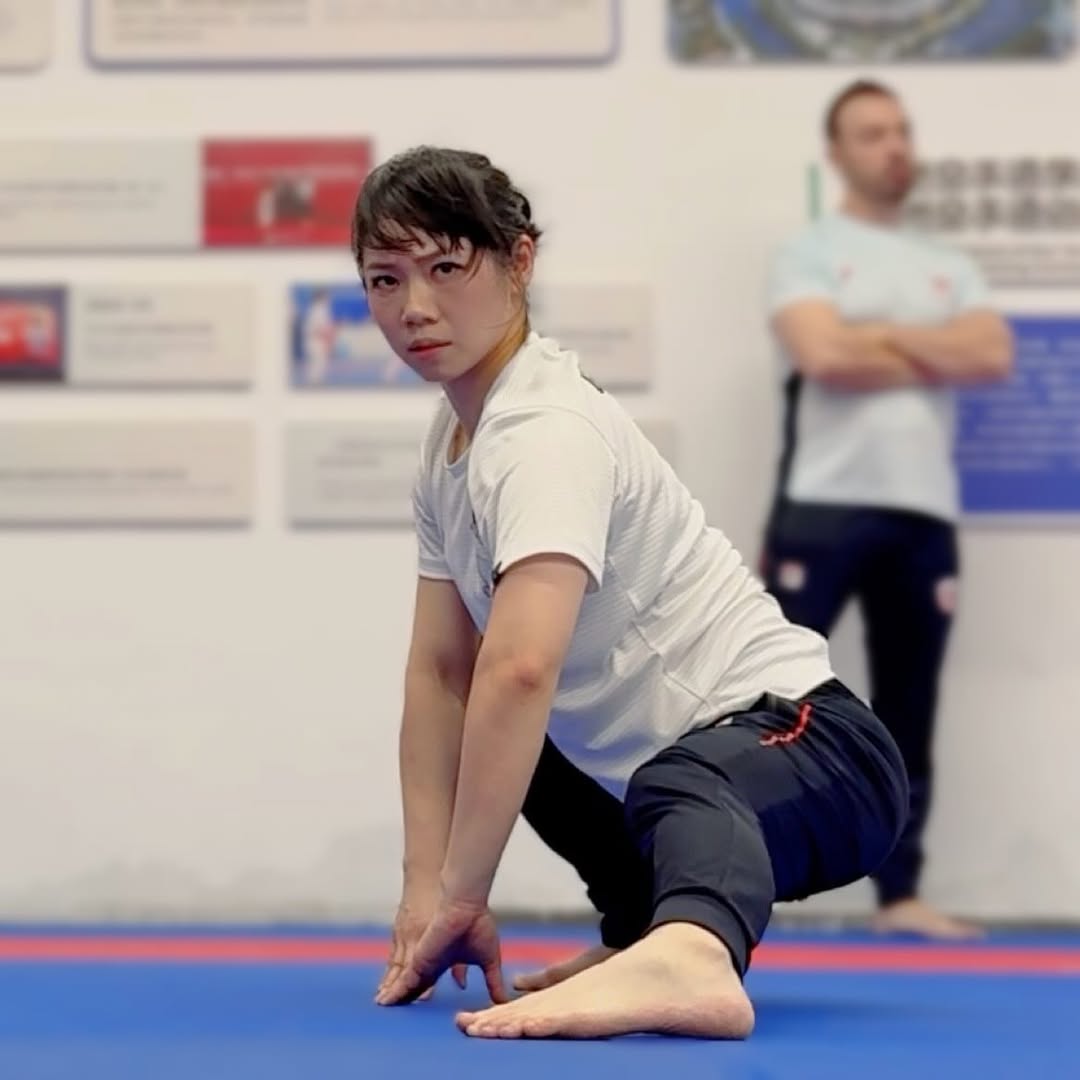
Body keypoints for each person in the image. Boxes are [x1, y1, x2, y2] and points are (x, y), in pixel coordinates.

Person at [357, 145, 909, 1041]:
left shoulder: (542, 429)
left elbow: (521, 666)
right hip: (697, 771)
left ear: (519, 261)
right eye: (385, 280)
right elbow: (441, 674)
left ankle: (693, 953)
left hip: (821, 752)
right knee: (511, 732)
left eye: (446, 268)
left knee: (600, 736)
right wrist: (425, 895)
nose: (414, 307)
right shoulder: (452, 437)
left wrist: (464, 893)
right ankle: (643, 932)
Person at [761, 79, 1014, 939]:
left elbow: (990, 354)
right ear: (837, 153)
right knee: (766, 695)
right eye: (872, 133)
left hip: (922, 511)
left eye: (901, 130)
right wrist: (931, 344)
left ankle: (901, 893)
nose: (894, 146)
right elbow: (824, 356)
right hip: (821, 505)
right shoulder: (808, 252)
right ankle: (732, 875)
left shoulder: (951, 263)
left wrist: (875, 333)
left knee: (910, 704)